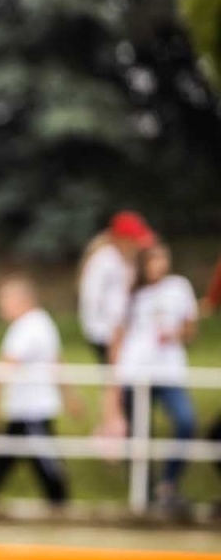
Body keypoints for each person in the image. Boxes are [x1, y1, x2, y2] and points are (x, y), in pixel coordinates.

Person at [112, 242, 198, 512]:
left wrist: (175, 334)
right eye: (153, 260)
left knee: (186, 421)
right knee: (138, 434)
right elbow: (117, 336)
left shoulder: (179, 287)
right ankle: (145, 495)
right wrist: (114, 380)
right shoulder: (130, 294)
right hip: (135, 372)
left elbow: (190, 329)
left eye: (162, 259)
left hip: (169, 371)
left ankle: (167, 484)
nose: (159, 265)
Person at [0, 276, 70, 506]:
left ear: (21, 300)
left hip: (32, 406)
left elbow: (10, 362)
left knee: (44, 457)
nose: (1, 306)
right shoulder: (39, 323)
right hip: (25, 405)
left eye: (4, 300)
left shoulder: (29, 326)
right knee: (5, 455)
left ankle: (59, 501)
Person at [78, 210, 154, 363]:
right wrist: (111, 329)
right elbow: (92, 297)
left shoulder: (125, 260)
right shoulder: (104, 261)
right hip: (104, 331)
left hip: (120, 329)